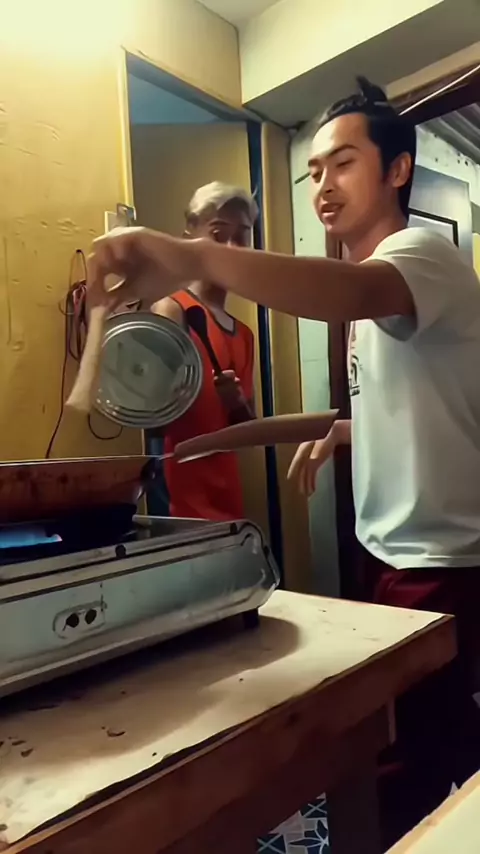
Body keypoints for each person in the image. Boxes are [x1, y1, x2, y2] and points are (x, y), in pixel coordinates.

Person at [86, 77, 480, 848]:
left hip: (440, 559)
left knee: (404, 757)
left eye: (344, 163)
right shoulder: (380, 299)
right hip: (392, 551)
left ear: (398, 170)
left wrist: (196, 254)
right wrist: (334, 432)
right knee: (429, 734)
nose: (323, 185)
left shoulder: (419, 256)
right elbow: (399, 405)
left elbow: (351, 291)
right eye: (314, 171)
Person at [148, 182, 257, 521]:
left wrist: (236, 403)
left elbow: (247, 433)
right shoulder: (172, 310)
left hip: (228, 496)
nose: (231, 247)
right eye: (218, 234)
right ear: (190, 236)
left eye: (242, 235)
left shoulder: (244, 335)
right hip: (182, 501)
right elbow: (154, 423)